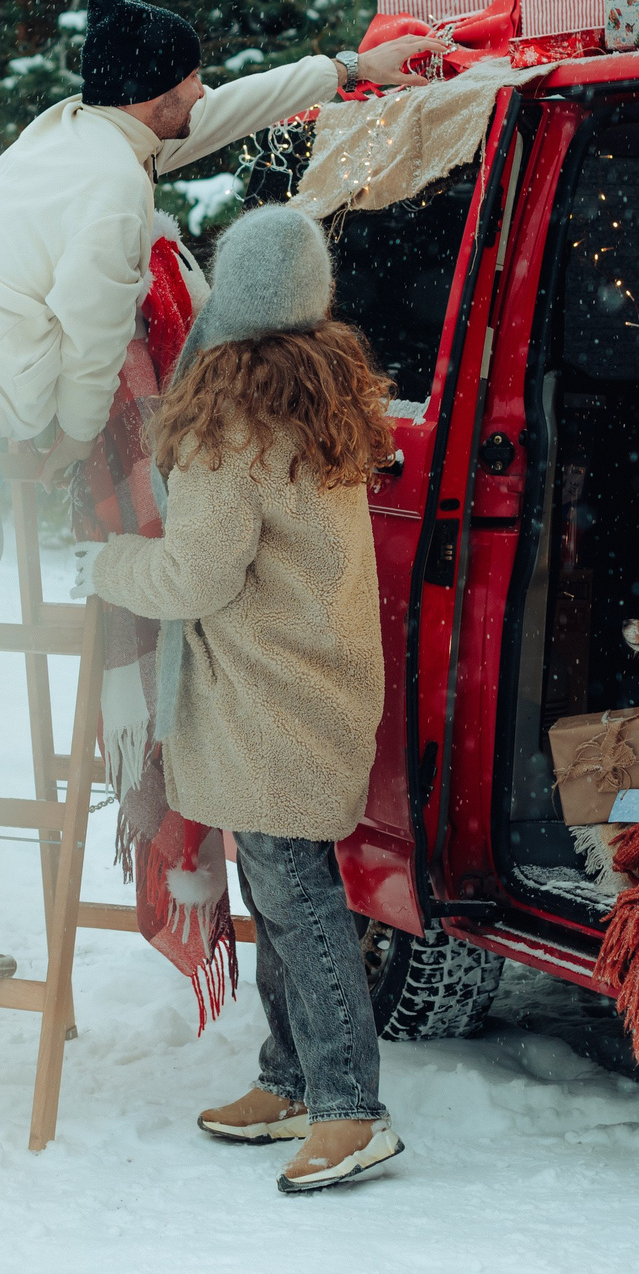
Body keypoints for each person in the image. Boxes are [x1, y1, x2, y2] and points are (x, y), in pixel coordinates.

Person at [0, 0, 440, 983]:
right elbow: (93, 336)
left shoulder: (72, 128)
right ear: (154, 96)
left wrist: (342, 73)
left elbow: (220, 111)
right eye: (188, 81)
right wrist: (70, 442)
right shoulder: (113, 192)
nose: (201, 93)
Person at [70, 206, 402, 1194]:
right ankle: (291, 1078)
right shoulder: (319, 397)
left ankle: (349, 1108)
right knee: (281, 889)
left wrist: (108, 563)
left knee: (298, 900)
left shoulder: (233, 425)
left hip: (269, 701)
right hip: (314, 683)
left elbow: (195, 576)